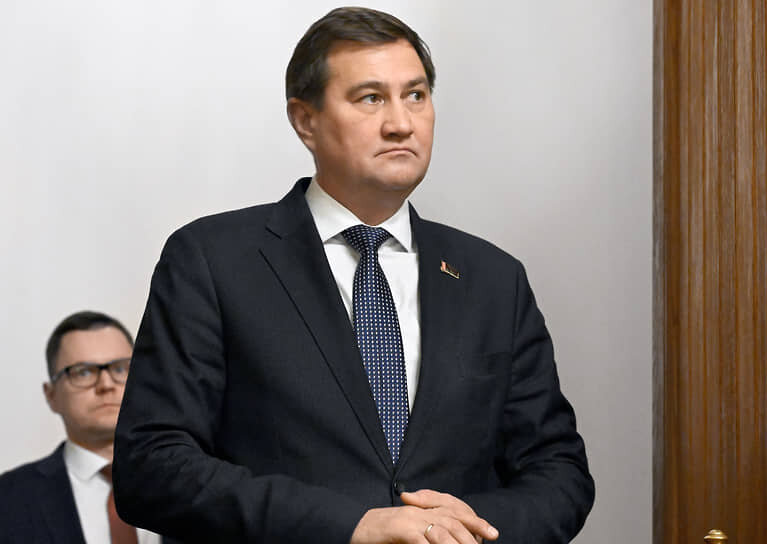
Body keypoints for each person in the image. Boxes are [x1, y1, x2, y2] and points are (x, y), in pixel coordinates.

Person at [113, 7, 594, 543]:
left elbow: (559, 472)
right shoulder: (212, 259)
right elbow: (151, 465)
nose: (401, 122)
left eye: (416, 95)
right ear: (305, 120)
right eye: (371, 98)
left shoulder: (493, 279)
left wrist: (462, 528)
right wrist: (350, 526)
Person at [0, 311, 162, 543]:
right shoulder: (8, 499)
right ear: (51, 395)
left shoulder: (194, 477)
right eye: (83, 372)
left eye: (120, 369)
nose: (106, 384)